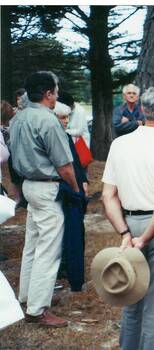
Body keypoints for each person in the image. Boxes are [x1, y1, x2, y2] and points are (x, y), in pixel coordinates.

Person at [101, 86, 154, 349]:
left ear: (141, 109)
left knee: (131, 297)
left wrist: (126, 233)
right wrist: (145, 238)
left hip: (130, 222)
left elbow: (108, 196)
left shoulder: (119, 144)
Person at [9, 71, 80, 327]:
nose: (57, 95)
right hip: (47, 187)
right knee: (48, 250)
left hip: (28, 184)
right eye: (56, 91)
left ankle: (27, 296)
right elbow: (64, 166)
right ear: (49, 94)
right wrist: (76, 190)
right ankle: (38, 309)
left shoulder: (18, 118)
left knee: (33, 243)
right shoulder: (48, 121)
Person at [53, 101, 88, 292]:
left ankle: (71, 272)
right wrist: (76, 189)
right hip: (66, 190)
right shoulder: (56, 136)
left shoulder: (65, 136)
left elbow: (76, 164)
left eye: (67, 117)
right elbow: (65, 167)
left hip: (74, 187)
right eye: (62, 117)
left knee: (76, 231)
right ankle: (70, 275)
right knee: (68, 232)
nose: (66, 121)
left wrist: (83, 182)